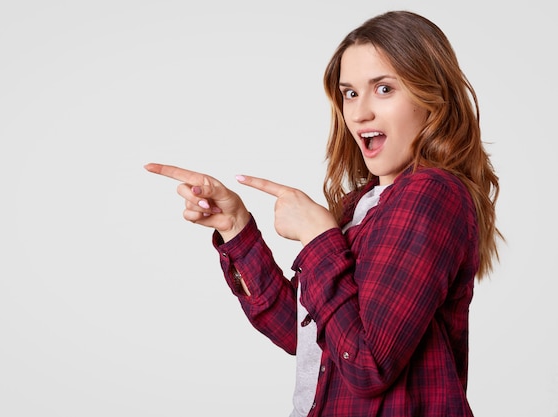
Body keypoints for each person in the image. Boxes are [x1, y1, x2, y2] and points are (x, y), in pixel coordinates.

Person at [145, 9, 501, 417]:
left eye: (383, 89)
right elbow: (310, 337)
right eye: (350, 93)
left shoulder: (430, 194)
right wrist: (235, 227)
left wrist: (318, 239)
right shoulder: (362, 206)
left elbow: (368, 366)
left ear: (431, 99)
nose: (359, 112)